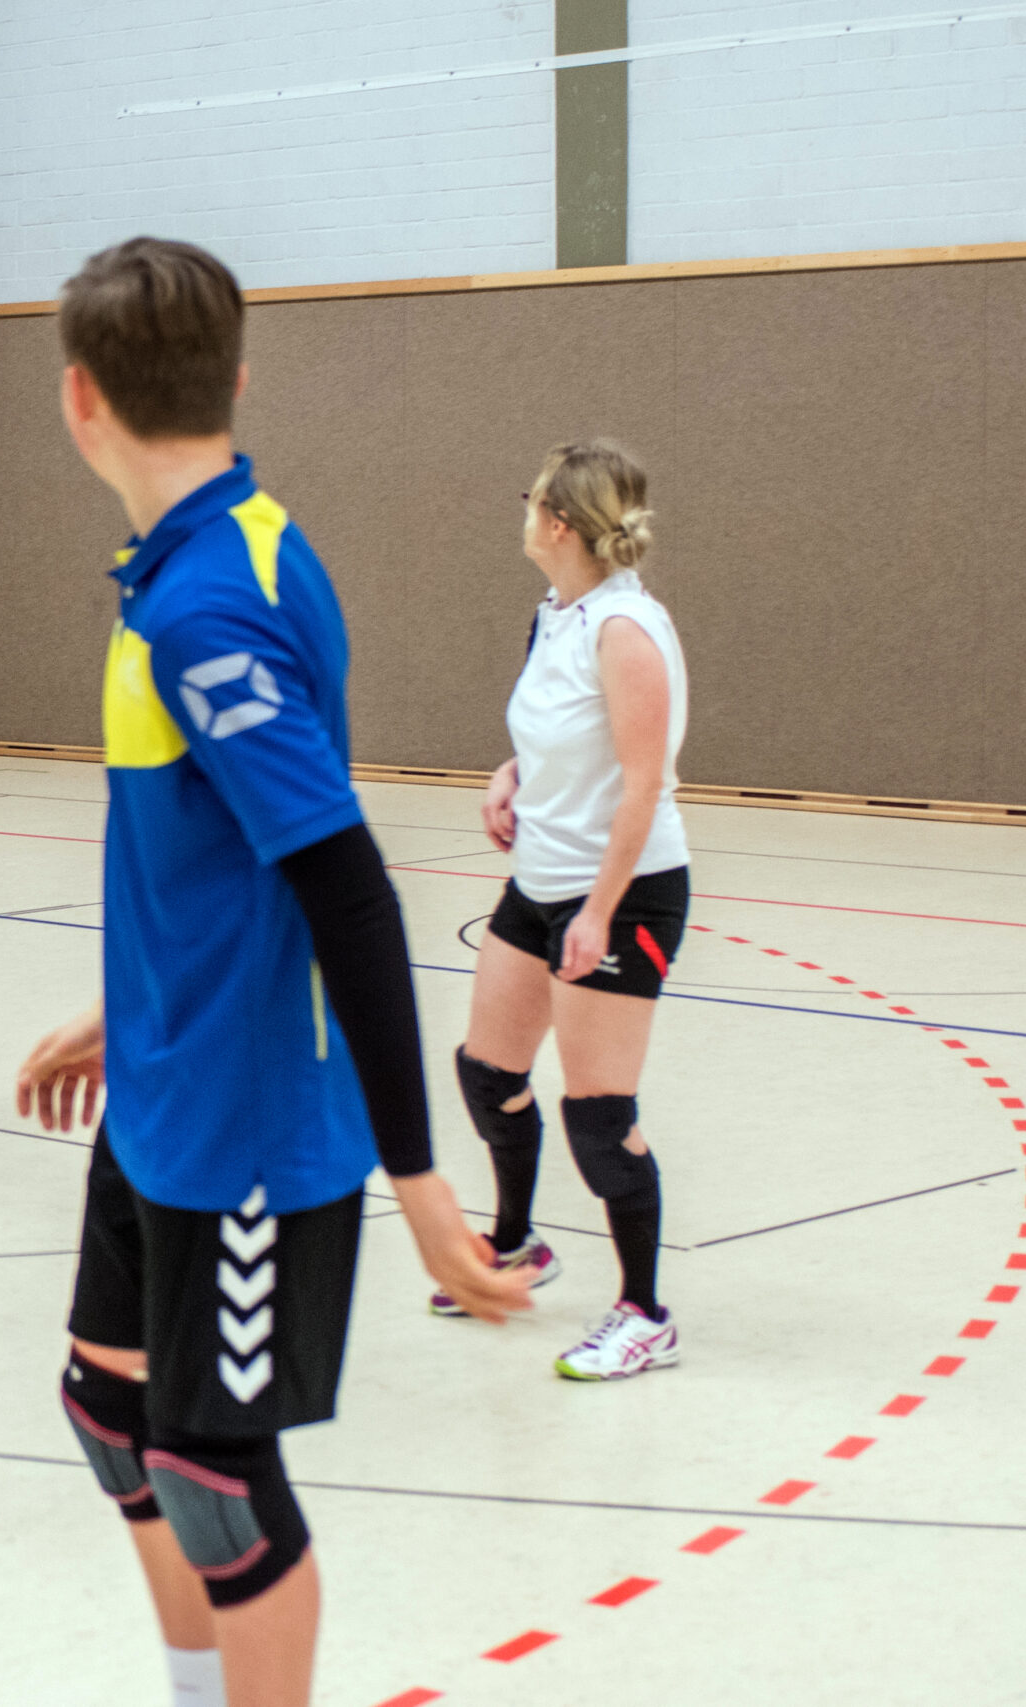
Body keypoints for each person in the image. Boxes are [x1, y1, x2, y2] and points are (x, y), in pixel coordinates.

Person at [13, 238, 530, 1707]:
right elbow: (220, 846)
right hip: (166, 1079)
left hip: (247, 1118)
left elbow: (347, 884)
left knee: (214, 1477)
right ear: (235, 378)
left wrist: (416, 1178)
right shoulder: (224, 547)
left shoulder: (205, 608)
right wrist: (128, 1005)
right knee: (112, 1411)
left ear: (76, 399)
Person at [437, 439, 690, 1383]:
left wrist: (600, 913)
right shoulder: (555, 614)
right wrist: (511, 775)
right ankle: (515, 1243)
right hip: (539, 881)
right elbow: (563, 734)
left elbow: (644, 783)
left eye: (530, 498)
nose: (523, 512)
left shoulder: (625, 629)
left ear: (557, 522)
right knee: (487, 1069)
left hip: (620, 893)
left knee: (598, 1113)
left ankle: (644, 1314)